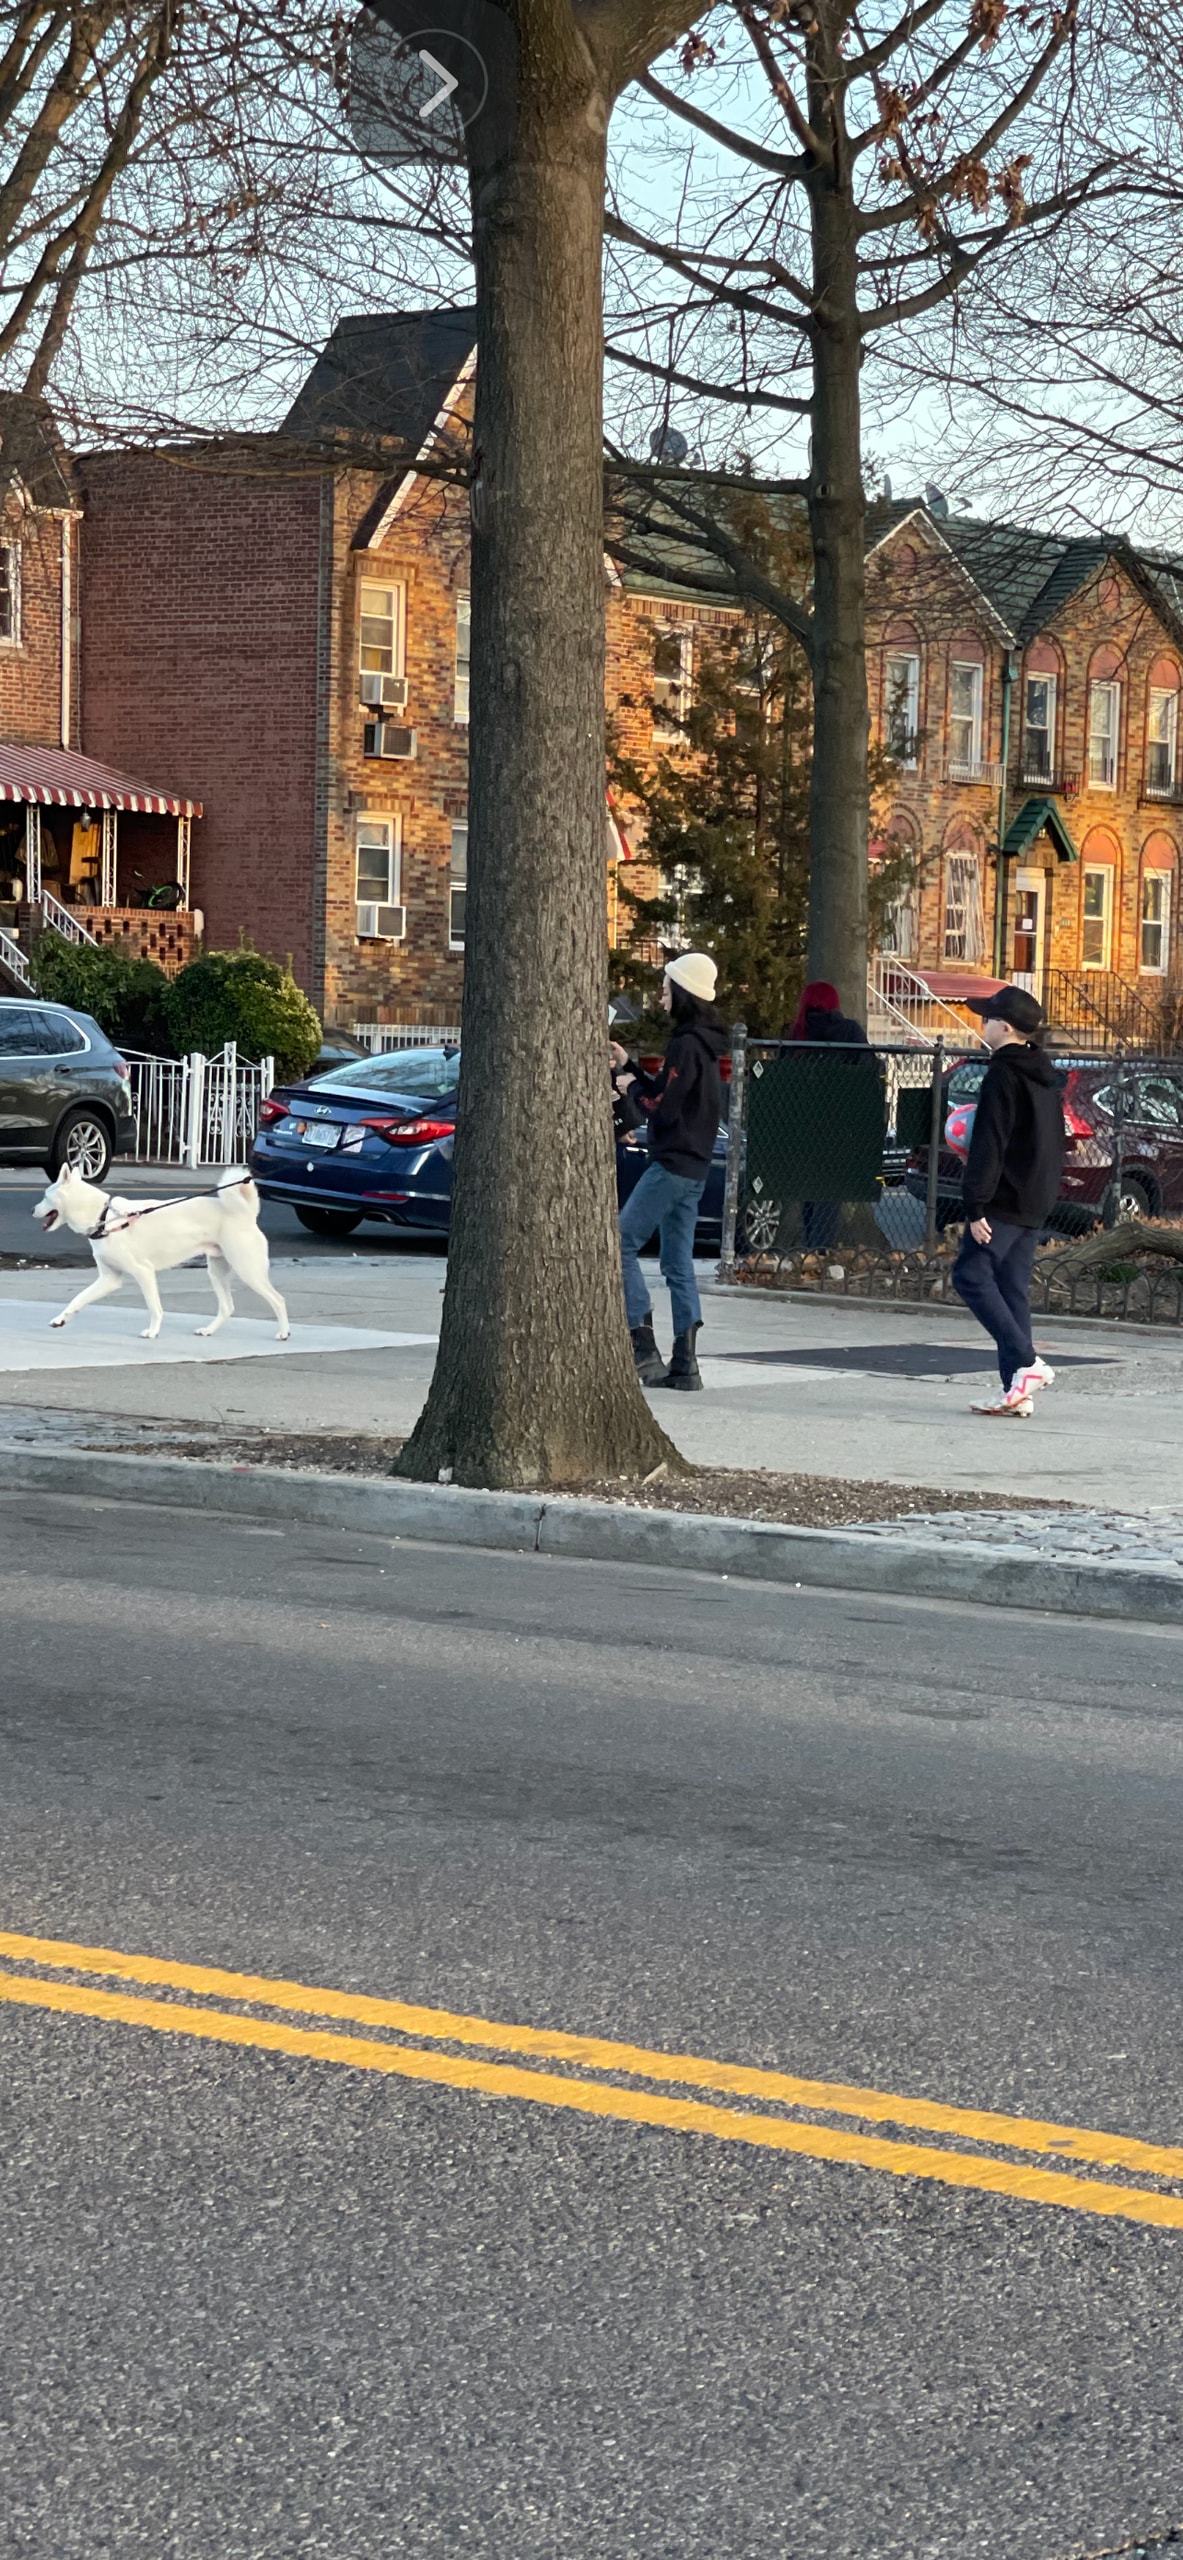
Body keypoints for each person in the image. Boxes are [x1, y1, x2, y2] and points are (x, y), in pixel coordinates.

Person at [611, 950, 726, 1391]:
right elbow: (668, 1090)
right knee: (678, 1263)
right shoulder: (705, 1046)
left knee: (621, 1241)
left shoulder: (685, 1044)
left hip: (673, 1163)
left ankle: (642, 1344)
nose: (660, 998)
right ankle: (686, 1363)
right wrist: (633, 1068)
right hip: (695, 1168)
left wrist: (630, 1086)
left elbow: (661, 1107)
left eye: (665, 989)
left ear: (683, 992)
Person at [953, 983, 1065, 1418]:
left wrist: (975, 1204)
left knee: (971, 1275)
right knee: (1011, 1289)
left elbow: (990, 1141)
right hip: (1034, 1196)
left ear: (1003, 1026)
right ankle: (1015, 1390)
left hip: (1002, 1197)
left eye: (986, 1018)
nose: (981, 1024)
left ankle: (1026, 1363)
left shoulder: (1003, 1071)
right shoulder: (1042, 1072)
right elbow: (1054, 1139)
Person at [784, 979, 871, 1249]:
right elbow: (869, 1073)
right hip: (837, 1129)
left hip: (801, 1130)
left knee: (809, 1196)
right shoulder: (849, 1032)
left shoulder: (796, 1034)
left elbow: (781, 1082)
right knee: (828, 1198)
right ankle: (821, 1251)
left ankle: (812, 1248)